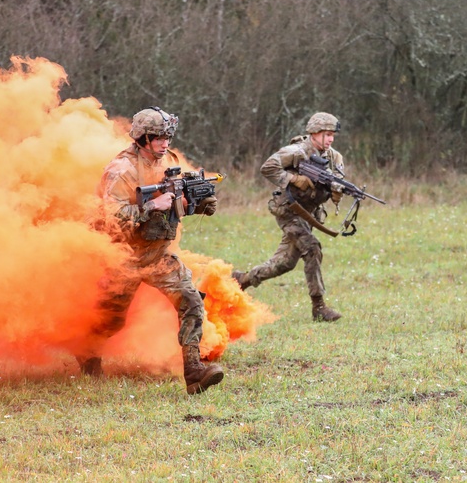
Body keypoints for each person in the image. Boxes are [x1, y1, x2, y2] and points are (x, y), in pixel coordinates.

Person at [80, 106, 224, 395]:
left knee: (191, 301)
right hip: (125, 256)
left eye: (167, 137)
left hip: (158, 254)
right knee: (110, 320)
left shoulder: (166, 161)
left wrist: (197, 205)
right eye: (158, 138)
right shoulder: (121, 170)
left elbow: (174, 200)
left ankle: (194, 371)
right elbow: (109, 214)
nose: (164, 143)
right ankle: (87, 355)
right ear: (143, 138)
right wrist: (149, 206)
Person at [233, 112, 346, 322]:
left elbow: (337, 181)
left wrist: (337, 192)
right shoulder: (295, 152)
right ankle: (319, 307)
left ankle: (243, 279)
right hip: (289, 211)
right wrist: (293, 179)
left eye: (333, 135)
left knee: (284, 263)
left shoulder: (334, 157)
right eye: (327, 134)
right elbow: (267, 167)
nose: (330, 139)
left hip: (309, 215)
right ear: (314, 133)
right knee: (312, 249)